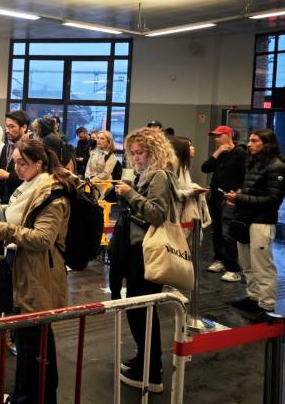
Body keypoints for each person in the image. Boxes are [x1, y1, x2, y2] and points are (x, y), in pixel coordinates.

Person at [0, 139, 73, 404]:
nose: (16, 167)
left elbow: (44, 238)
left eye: (22, 163)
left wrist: (6, 230)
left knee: (35, 342)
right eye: (14, 161)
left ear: (39, 163)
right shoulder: (29, 186)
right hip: (24, 267)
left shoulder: (52, 192)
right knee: (30, 342)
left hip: (40, 273)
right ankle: (32, 396)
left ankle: (33, 397)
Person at [113, 127, 177, 393]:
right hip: (136, 250)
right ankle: (145, 359)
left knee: (143, 311)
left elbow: (157, 214)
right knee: (138, 311)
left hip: (146, 253)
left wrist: (129, 194)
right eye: (133, 153)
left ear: (154, 151)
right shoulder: (146, 175)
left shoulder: (160, 176)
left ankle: (151, 373)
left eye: (140, 153)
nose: (136, 158)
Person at [225, 130, 285, 319]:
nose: (249, 144)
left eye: (254, 141)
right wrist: (238, 197)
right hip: (245, 220)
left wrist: (239, 198)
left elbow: (272, 199)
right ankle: (253, 298)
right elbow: (252, 190)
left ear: (266, 143)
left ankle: (267, 306)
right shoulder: (255, 162)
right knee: (247, 264)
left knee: (263, 266)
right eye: (249, 140)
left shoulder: (278, 167)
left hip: (262, 222)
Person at [201, 125, 247, 282]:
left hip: (229, 199)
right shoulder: (220, 153)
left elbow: (246, 175)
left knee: (227, 233)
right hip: (215, 197)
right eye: (215, 136)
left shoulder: (240, 153)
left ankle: (233, 269)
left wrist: (238, 193)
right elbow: (205, 168)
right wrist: (218, 152)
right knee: (216, 231)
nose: (215, 138)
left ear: (228, 135)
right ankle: (219, 260)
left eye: (219, 135)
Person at [0, 110, 29, 206]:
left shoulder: (30, 148)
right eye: (6, 126)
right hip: (5, 200)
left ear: (24, 127)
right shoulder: (7, 147)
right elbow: (1, 167)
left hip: (22, 201)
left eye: (12, 126)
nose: (7, 130)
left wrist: (8, 176)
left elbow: (30, 176)